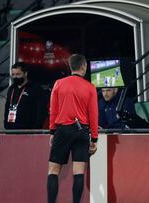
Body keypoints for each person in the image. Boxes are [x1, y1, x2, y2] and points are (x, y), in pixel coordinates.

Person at [47, 54, 98, 203]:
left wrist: (52, 131)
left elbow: (53, 110)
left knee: (53, 171)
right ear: (84, 67)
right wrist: (94, 138)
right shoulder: (90, 88)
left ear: (70, 67)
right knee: (78, 172)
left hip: (62, 130)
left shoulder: (58, 84)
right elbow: (93, 115)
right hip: (82, 132)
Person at [4, 62, 45, 129]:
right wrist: (6, 124)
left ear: (25, 74)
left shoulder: (35, 89)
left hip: (28, 130)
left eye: (18, 74)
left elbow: (41, 111)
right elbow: (7, 107)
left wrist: (35, 128)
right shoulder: (11, 89)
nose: (15, 77)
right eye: (13, 75)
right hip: (11, 128)